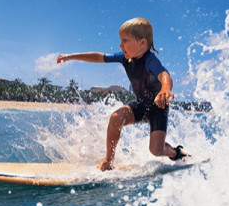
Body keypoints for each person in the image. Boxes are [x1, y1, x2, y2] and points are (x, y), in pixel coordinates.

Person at [57, 17, 187, 171]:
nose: (120, 44)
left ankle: (176, 152)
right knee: (116, 117)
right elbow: (99, 56)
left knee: (156, 150)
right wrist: (71, 56)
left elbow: (164, 74)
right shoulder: (125, 59)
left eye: (125, 40)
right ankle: (108, 161)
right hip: (140, 106)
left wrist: (165, 88)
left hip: (158, 108)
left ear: (142, 43)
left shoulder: (150, 60)